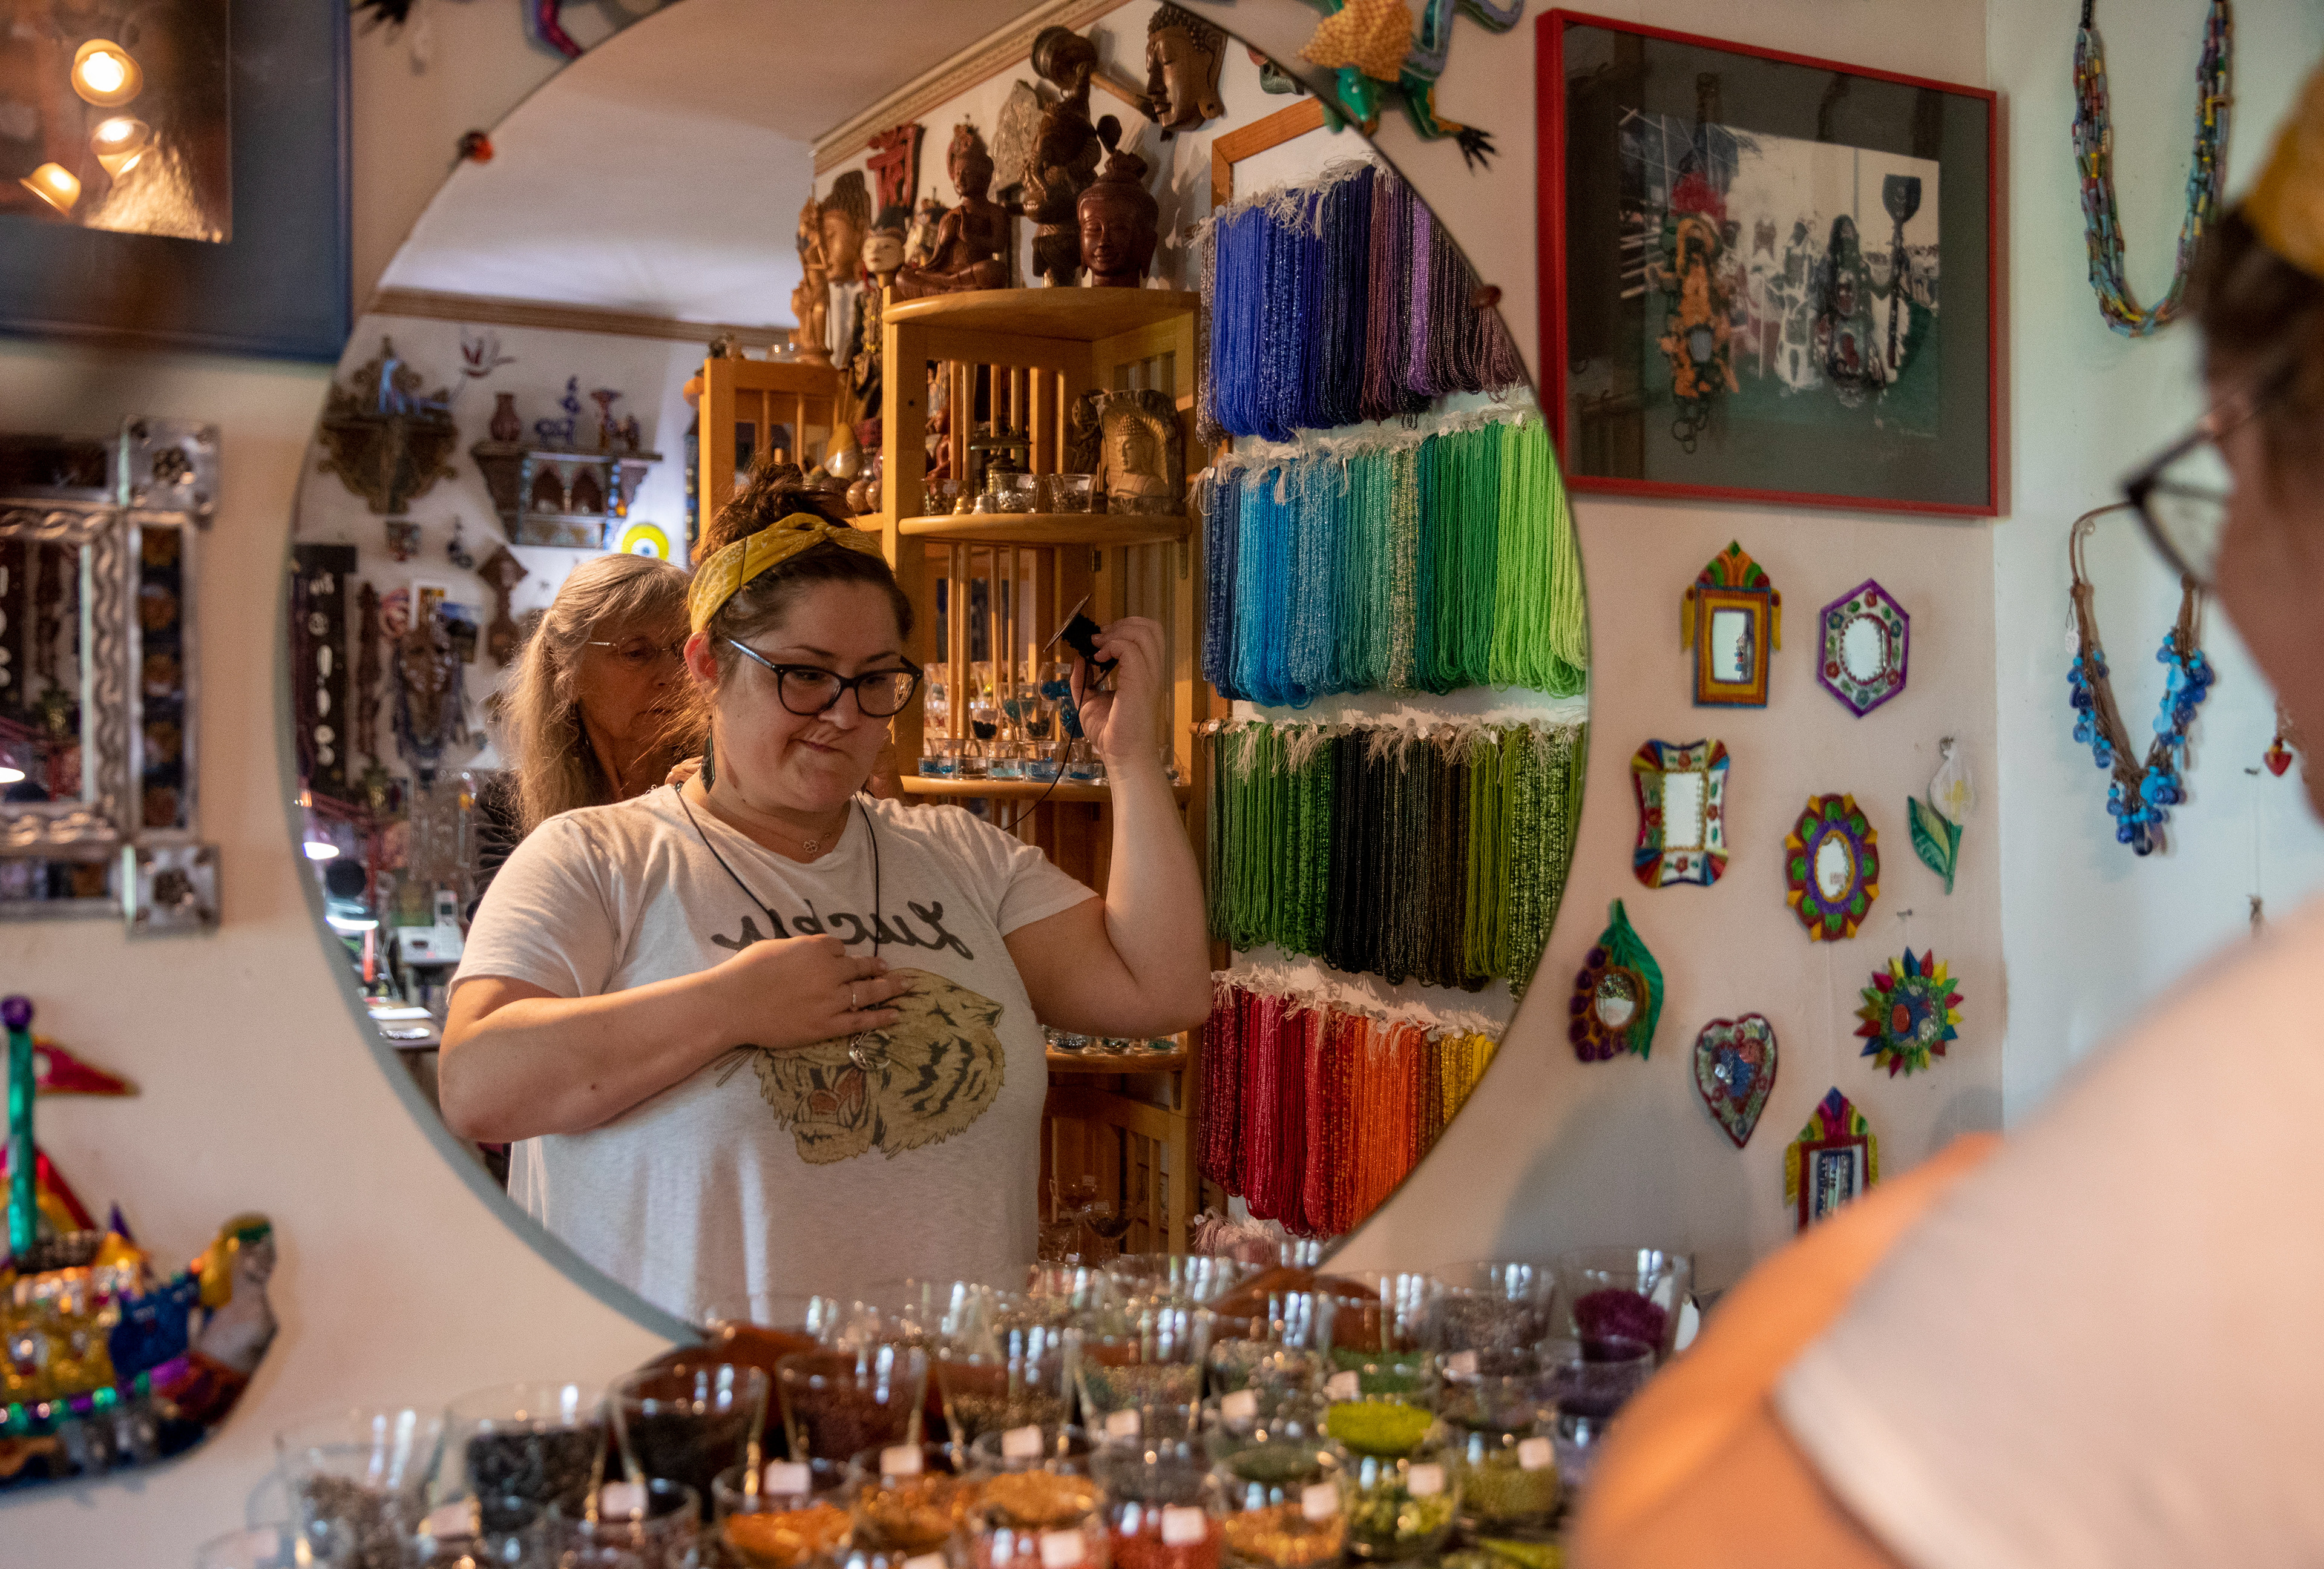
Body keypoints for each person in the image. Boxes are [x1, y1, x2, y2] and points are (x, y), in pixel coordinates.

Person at [1573, 63, 2324, 1569]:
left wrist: (1938, 1217)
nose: (2227, 568)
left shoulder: (2257, 1111)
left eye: (2222, 482)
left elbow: (1657, 1549)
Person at [437, 458, 1210, 1320]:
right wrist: (731, 1006)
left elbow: (1160, 987)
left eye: (876, 680)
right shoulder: (595, 858)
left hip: (944, 1416)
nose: (844, 715)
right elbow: (478, 1083)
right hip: (704, 1424)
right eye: (804, 674)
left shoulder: (959, 854)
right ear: (707, 664)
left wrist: (1132, 758)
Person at [470, 553, 695, 906]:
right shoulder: (509, 807)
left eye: (684, 651)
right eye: (637, 653)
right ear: (567, 672)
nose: (674, 676)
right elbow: (520, 942)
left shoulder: (722, 786)